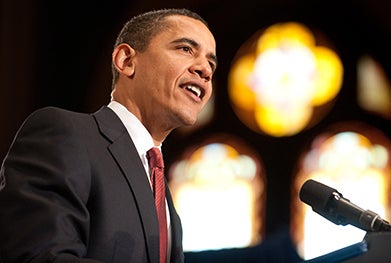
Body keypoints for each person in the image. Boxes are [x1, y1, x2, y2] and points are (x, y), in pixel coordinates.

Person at [0, 8, 217, 263]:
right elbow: (37, 257)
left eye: (211, 63)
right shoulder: (65, 133)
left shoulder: (164, 196)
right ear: (126, 60)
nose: (205, 69)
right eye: (185, 49)